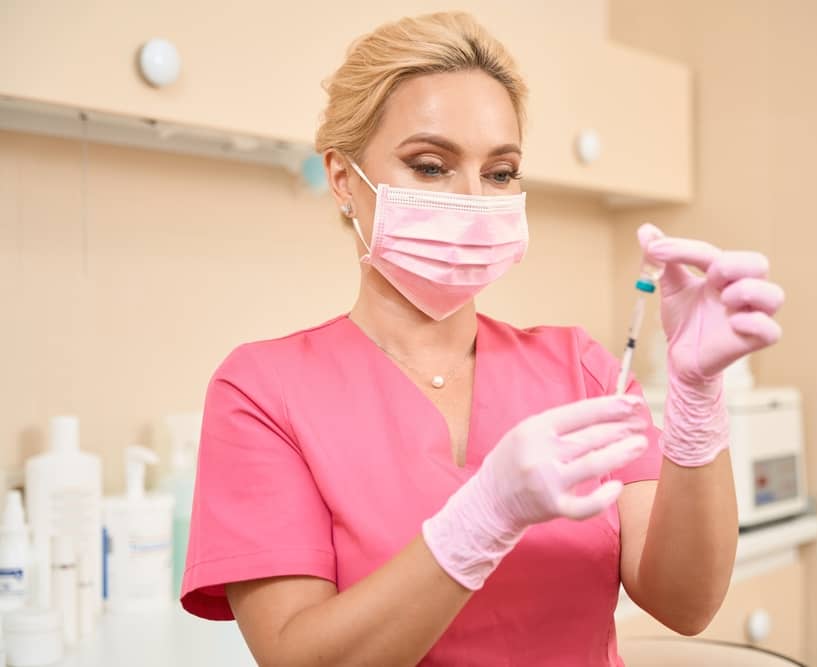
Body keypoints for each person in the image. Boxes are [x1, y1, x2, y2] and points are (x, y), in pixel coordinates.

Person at [180, 11, 785, 667]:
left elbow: (686, 602)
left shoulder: (577, 366)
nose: (473, 201)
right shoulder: (263, 391)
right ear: (343, 178)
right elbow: (297, 655)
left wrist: (697, 402)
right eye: (432, 165)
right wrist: (482, 519)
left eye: (500, 173)